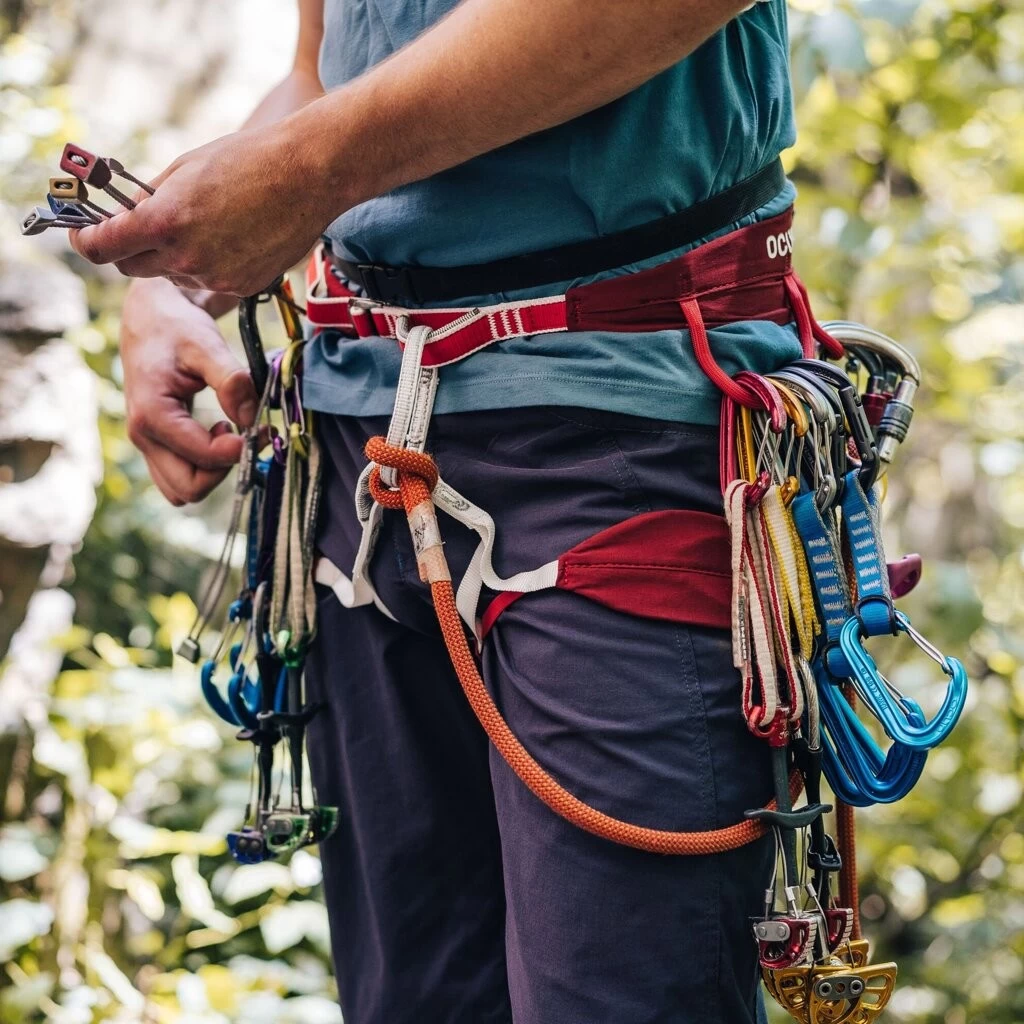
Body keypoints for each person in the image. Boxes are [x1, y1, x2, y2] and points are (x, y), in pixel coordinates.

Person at [71, 1, 815, 1020]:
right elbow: (325, 68)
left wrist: (309, 172)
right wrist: (177, 276)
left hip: (619, 438)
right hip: (360, 450)